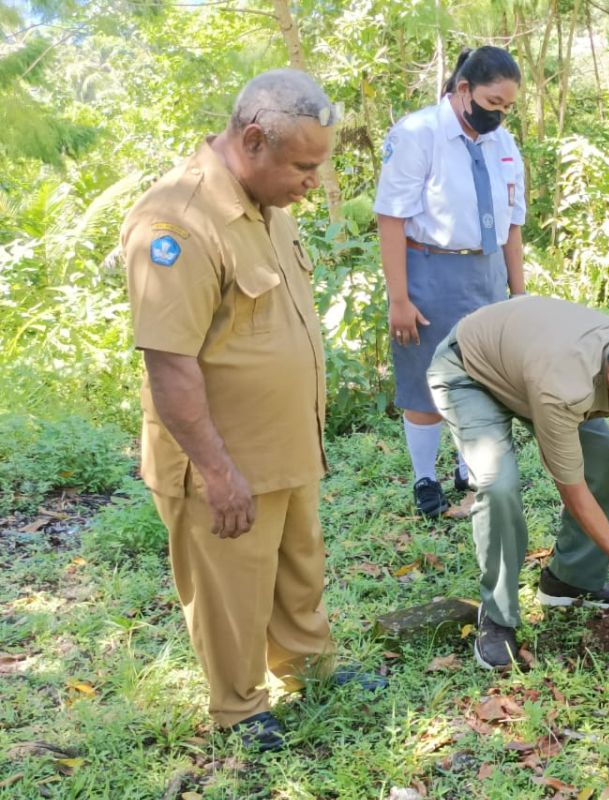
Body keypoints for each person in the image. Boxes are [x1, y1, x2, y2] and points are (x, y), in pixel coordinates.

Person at [121, 69, 383, 753]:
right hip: (222, 455)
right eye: (304, 164)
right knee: (231, 587)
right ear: (254, 139)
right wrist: (215, 470)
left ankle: (305, 665)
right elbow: (169, 361)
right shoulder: (176, 220)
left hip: (286, 445)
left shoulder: (271, 206)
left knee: (299, 564)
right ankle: (238, 708)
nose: (314, 179)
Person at [427, 296, 609, 669]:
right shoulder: (564, 388)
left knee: (607, 463)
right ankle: (497, 616)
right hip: (470, 372)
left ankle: (570, 580)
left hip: (526, 362)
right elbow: (574, 490)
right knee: (499, 485)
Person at [374, 46, 527, 518]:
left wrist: (518, 294)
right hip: (430, 268)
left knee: (479, 374)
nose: (498, 114)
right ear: (464, 90)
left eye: (507, 107)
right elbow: (391, 219)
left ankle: (466, 466)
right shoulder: (419, 134)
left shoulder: (503, 144)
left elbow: (514, 225)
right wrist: (399, 297)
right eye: (492, 102)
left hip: (487, 272)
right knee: (425, 379)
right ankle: (425, 478)